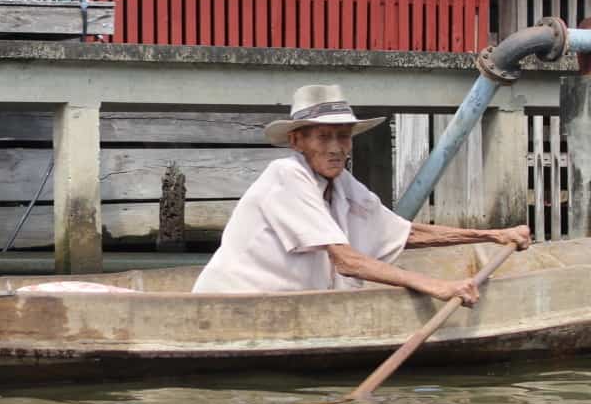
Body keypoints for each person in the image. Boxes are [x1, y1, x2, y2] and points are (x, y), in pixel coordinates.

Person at [192, 84, 531, 303]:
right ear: (297, 141)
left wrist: (491, 234)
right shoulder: (285, 176)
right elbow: (347, 261)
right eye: (324, 137)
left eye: (344, 137)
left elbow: (404, 231)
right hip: (229, 304)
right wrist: (434, 285)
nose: (337, 148)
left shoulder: (339, 182)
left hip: (288, 309)